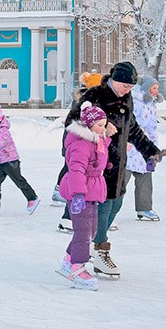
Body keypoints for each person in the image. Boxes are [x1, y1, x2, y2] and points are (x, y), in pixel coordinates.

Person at [63, 61, 166, 277]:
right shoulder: (95, 95)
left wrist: (150, 150)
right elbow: (72, 121)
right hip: (96, 163)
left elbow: (133, 128)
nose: (127, 91)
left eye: (130, 88)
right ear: (114, 79)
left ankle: (87, 249)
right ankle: (97, 249)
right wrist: (102, 129)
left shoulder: (125, 98)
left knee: (116, 203)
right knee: (103, 208)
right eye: (125, 86)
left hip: (118, 162)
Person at [55, 102, 111, 291]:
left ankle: (68, 261)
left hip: (92, 189)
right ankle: (77, 267)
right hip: (80, 191)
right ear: (88, 125)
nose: (104, 128)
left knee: (91, 231)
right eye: (100, 125)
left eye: (104, 124)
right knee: (83, 232)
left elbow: (98, 158)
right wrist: (78, 194)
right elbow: (76, 169)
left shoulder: (96, 140)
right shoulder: (81, 144)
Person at [53, 70, 104, 210]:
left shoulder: (94, 101)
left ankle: (66, 190)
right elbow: (73, 123)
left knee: (75, 167)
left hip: (83, 141)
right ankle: (59, 190)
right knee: (71, 167)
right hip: (75, 140)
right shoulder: (83, 103)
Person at [126, 77, 161, 221]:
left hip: (143, 145)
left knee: (145, 175)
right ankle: (106, 209)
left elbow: (153, 127)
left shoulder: (151, 104)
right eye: (154, 88)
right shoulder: (136, 102)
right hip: (130, 144)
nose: (156, 91)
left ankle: (144, 208)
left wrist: (154, 150)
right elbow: (127, 122)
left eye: (157, 89)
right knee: (121, 178)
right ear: (146, 88)